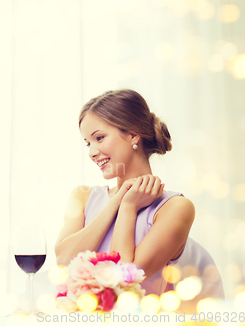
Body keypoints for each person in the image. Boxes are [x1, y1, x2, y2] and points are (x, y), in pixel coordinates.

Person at [55, 89, 223, 301]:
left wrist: (128, 208)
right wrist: (118, 200)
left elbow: (123, 281)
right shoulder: (82, 197)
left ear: (133, 134)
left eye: (99, 137)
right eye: (88, 143)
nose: (91, 152)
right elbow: (63, 261)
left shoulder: (175, 208)